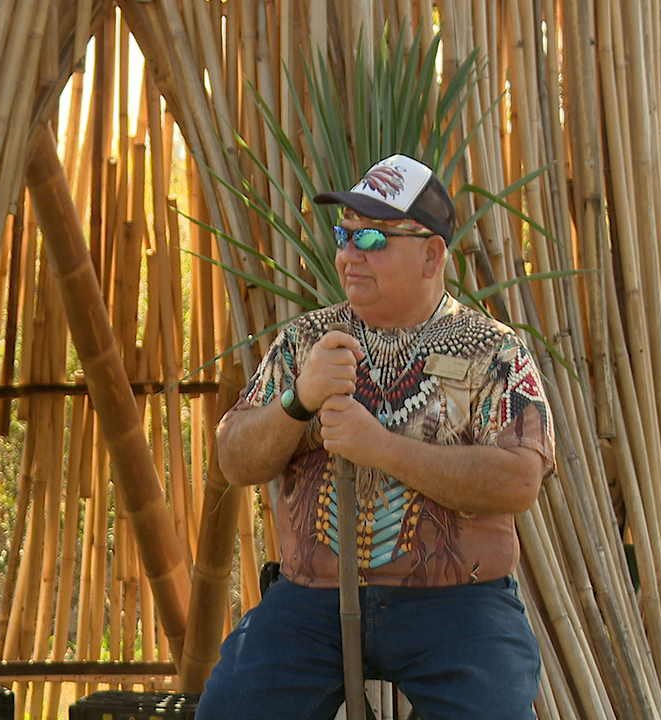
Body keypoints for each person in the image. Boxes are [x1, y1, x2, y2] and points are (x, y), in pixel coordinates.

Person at [196, 153, 556, 720]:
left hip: (459, 607)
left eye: (372, 237)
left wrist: (382, 449)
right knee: (230, 709)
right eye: (344, 234)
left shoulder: (496, 350)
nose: (347, 254)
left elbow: (520, 481)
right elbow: (233, 459)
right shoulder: (306, 342)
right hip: (311, 601)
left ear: (432, 254)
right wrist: (298, 401)